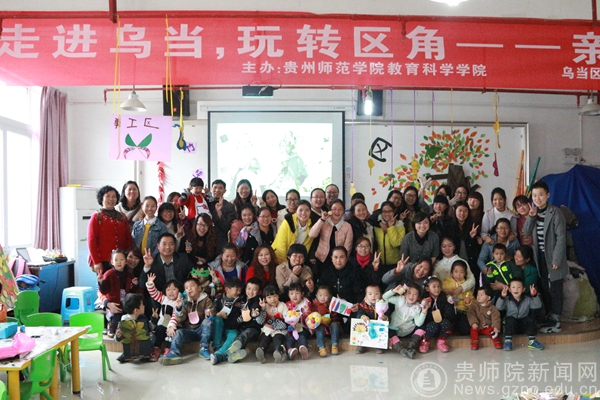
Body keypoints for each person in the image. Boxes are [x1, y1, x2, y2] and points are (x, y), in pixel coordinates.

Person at [524, 181, 567, 334]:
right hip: (540, 256)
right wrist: (531, 217)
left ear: (548, 195)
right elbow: (526, 232)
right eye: (534, 196)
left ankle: (556, 319)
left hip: (553, 257)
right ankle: (549, 316)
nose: (537, 198)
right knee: (544, 287)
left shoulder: (556, 212)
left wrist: (556, 259)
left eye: (541, 195)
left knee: (555, 288)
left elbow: (561, 238)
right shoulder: (534, 212)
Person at [159, 277, 215, 365]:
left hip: (202, 329)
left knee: (207, 322)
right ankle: (174, 353)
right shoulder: (185, 301)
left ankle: (204, 348)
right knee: (178, 332)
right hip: (189, 331)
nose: (189, 289)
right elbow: (180, 318)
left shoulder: (206, 300)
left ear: (199, 288)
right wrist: (178, 308)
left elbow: (212, 313)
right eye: (186, 287)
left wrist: (209, 314)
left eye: (192, 286)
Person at [88, 185, 133, 274]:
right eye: (107, 196)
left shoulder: (122, 217)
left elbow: (128, 239)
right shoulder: (96, 217)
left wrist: (128, 257)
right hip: (103, 260)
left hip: (121, 260)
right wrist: (96, 261)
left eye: (113, 196)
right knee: (105, 282)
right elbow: (91, 241)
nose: (111, 199)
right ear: (102, 198)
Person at [496, 278, 544, 351]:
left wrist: (534, 295)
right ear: (509, 289)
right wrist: (502, 297)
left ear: (523, 289)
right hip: (511, 325)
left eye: (519, 287)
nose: (516, 289)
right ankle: (508, 341)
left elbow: (537, 305)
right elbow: (498, 307)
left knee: (530, 318)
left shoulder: (527, 299)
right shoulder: (507, 299)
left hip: (523, 324)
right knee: (509, 319)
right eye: (513, 287)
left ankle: (532, 341)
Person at [309, 199, 353, 275]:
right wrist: (322, 220)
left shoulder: (347, 226)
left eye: (340, 209)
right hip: (321, 259)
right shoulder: (324, 221)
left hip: (338, 261)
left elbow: (348, 247)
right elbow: (312, 234)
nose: (337, 212)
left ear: (344, 212)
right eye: (334, 209)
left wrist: (342, 260)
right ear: (330, 210)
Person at [383, 283, 427, 359]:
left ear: (418, 297)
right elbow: (385, 297)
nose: (411, 296)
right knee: (388, 330)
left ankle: (411, 347)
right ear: (405, 294)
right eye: (409, 293)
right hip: (394, 328)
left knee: (422, 325)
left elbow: (418, 323)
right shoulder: (400, 300)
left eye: (415, 294)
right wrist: (393, 291)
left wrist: (423, 312)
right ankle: (402, 350)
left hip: (408, 330)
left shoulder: (417, 307)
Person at [98, 249, 135, 337]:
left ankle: (122, 329)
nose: (119, 262)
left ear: (126, 261)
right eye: (116, 260)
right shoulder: (108, 274)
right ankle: (112, 326)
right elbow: (104, 291)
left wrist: (134, 284)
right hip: (113, 302)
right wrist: (101, 282)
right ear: (112, 262)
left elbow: (130, 290)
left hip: (125, 302)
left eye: (121, 259)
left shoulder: (128, 275)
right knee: (117, 314)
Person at [225, 278, 263, 363]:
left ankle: (236, 345)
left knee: (246, 333)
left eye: (254, 290)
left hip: (253, 328)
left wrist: (254, 313)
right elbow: (233, 314)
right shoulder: (240, 299)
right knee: (238, 334)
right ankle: (235, 355)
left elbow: (255, 309)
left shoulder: (258, 300)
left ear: (259, 291)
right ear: (245, 288)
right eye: (249, 288)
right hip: (240, 326)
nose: (251, 292)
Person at [145, 273, 182, 357]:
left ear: (179, 291)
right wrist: (150, 284)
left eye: (174, 289)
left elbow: (175, 315)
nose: (171, 292)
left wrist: (171, 326)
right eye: (168, 289)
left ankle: (169, 349)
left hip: (174, 326)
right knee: (159, 329)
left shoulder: (180, 302)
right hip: (163, 325)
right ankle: (156, 348)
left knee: (173, 334)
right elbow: (154, 294)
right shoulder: (164, 299)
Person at [211, 277, 244, 365]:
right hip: (220, 327)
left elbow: (242, 317)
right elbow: (212, 312)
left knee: (234, 335)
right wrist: (218, 314)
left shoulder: (241, 301)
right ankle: (217, 346)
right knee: (217, 319)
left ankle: (219, 355)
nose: (239, 292)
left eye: (240, 290)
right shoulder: (218, 299)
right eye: (236, 290)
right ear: (227, 289)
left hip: (232, 328)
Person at [445, 202, 481, 281]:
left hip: (470, 261)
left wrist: (472, 237)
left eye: (465, 211)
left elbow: (476, 248)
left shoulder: (473, 226)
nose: (462, 213)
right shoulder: (448, 226)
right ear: (455, 211)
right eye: (460, 210)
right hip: (454, 261)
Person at [115, 293, 157, 363]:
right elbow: (118, 338)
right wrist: (118, 335)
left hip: (142, 343)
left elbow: (150, 328)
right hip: (131, 344)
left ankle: (144, 354)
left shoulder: (143, 317)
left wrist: (154, 319)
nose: (144, 306)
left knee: (153, 337)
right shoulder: (124, 319)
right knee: (127, 342)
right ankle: (126, 355)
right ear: (136, 310)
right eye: (142, 305)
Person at [418, 277, 455, 353]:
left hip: (441, 324)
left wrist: (450, 304)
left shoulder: (445, 298)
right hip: (429, 326)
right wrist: (427, 307)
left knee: (446, 323)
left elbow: (450, 315)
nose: (437, 289)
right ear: (427, 289)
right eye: (434, 286)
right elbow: (424, 318)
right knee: (432, 325)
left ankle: (441, 342)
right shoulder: (424, 300)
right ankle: (425, 342)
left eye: (439, 286)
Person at [272, 200, 314, 264]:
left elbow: (306, 247)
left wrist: (299, 262)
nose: (303, 213)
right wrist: (285, 265)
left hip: (296, 260)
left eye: (307, 210)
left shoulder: (311, 225)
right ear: (296, 211)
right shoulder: (288, 222)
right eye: (300, 210)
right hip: (279, 258)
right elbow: (280, 246)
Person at [255, 284, 288, 363]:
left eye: (274, 296)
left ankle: (278, 351)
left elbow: (286, 320)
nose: (273, 299)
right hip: (267, 330)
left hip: (279, 330)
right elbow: (260, 321)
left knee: (278, 338)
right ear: (265, 299)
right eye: (269, 297)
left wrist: (274, 326)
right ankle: (261, 351)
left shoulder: (283, 305)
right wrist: (263, 309)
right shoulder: (264, 306)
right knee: (264, 338)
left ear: (278, 296)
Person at [442, 260, 474, 335]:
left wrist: (468, 302)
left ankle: (456, 327)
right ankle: (451, 325)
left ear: (465, 273)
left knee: (465, 329)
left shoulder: (466, 285)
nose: (458, 275)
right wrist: (448, 295)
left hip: (462, 311)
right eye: (456, 271)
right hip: (450, 310)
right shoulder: (445, 283)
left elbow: (471, 300)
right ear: (452, 272)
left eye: (461, 272)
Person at [467, 286, 502, 350]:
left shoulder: (492, 308)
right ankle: (475, 342)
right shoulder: (474, 305)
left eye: (481, 295)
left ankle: (497, 341)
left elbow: (496, 318)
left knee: (493, 331)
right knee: (473, 330)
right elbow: (471, 314)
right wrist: (474, 323)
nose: (478, 297)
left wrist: (496, 327)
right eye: (478, 295)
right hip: (478, 326)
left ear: (488, 297)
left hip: (487, 327)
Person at [355, 284, 386, 354]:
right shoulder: (363, 305)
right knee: (361, 328)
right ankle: (361, 345)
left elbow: (388, 315)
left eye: (376, 294)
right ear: (366, 295)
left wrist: (385, 317)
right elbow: (359, 313)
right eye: (370, 294)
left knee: (381, 330)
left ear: (381, 295)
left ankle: (379, 346)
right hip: (367, 325)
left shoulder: (384, 305)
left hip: (378, 327)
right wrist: (363, 316)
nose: (373, 296)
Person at [311, 285, 341, 357]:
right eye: (320, 295)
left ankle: (334, 346)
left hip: (330, 325)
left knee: (335, 324)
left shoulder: (332, 304)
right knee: (319, 327)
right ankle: (321, 348)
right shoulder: (314, 305)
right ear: (316, 296)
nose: (323, 297)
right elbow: (312, 317)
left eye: (325, 295)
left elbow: (335, 316)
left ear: (330, 296)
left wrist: (338, 304)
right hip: (320, 325)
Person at [284, 283, 312, 360]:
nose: (294, 296)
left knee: (301, 336)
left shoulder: (306, 303)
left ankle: (304, 349)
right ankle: (290, 350)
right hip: (291, 328)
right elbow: (285, 317)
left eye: (297, 293)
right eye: (292, 294)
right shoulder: (287, 305)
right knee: (289, 337)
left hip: (303, 327)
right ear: (288, 295)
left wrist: (306, 312)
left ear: (302, 294)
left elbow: (310, 318)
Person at [372, 201, 405, 266]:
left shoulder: (400, 225)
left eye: (390, 211)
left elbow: (396, 243)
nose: (387, 214)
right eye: (384, 211)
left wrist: (391, 227)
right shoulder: (376, 225)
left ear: (394, 212)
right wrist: (379, 223)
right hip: (379, 262)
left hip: (395, 263)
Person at [209, 179, 236, 250]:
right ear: (211, 189)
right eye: (215, 187)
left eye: (220, 188)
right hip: (205, 241)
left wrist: (219, 212)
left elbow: (226, 228)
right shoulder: (206, 203)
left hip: (220, 242)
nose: (217, 190)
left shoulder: (229, 206)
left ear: (225, 191)